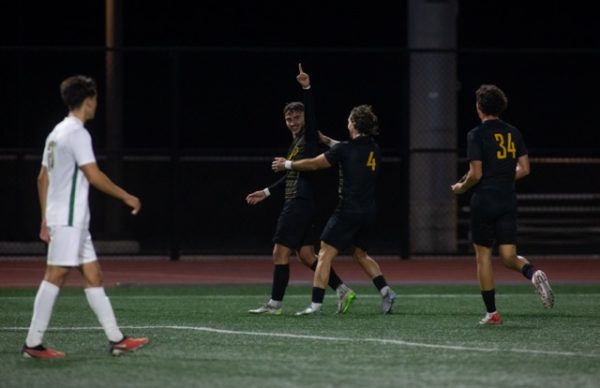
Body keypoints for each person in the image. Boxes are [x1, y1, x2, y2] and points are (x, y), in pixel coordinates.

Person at [22, 75, 149, 359]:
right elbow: (93, 175)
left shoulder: (55, 132)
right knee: (55, 275)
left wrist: (44, 217)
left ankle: (117, 339)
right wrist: (126, 196)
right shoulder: (77, 133)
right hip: (68, 220)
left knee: (94, 275)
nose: (96, 106)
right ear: (88, 101)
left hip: (69, 220)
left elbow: (42, 178)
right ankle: (33, 343)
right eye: (95, 101)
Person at [246, 64, 356, 315]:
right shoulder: (295, 144)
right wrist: (266, 191)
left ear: (305, 119)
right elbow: (293, 174)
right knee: (307, 255)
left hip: (298, 203)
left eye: (297, 117)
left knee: (279, 252)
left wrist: (306, 87)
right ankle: (342, 289)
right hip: (304, 204)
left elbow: (312, 116)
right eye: (288, 118)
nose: (292, 121)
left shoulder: (308, 138)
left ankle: (275, 304)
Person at [272, 98, 397, 315]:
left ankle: (316, 305)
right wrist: (327, 139)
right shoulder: (373, 148)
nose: (347, 123)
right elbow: (347, 148)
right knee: (360, 254)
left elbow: (314, 163)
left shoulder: (345, 150)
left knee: (324, 255)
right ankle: (386, 291)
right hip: (369, 211)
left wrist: (288, 164)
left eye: (349, 121)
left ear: (355, 124)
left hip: (348, 210)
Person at [451, 84, 554, 325]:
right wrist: (503, 176)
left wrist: (460, 188)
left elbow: (475, 174)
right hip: (507, 200)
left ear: (479, 107)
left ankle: (492, 313)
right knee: (509, 257)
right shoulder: (513, 132)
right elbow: (525, 169)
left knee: (483, 257)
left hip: (484, 200)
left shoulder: (476, 134)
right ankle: (533, 273)